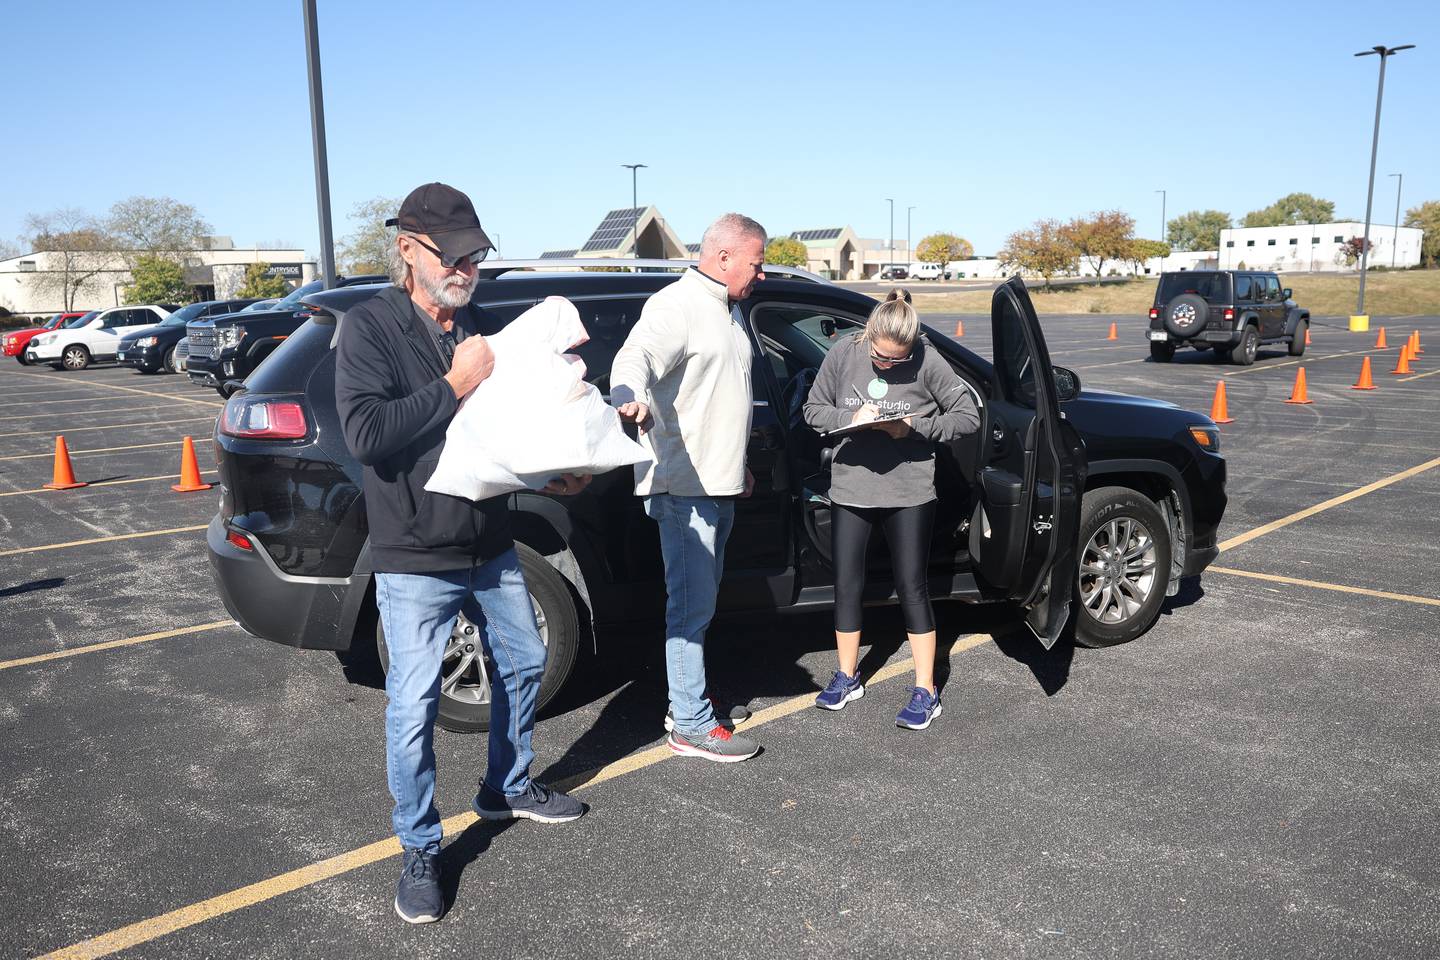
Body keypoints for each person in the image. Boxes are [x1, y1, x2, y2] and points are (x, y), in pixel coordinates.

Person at [335, 182, 589, 925]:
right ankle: (419, 846)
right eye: (452, 255)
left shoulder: (474, 322)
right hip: (415, 552)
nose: (466, 268)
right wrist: (454, 383)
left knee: (525, 661)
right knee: (413, 705)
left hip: (488, 540)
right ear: (408, 250)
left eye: (475, 254)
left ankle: (506, 784)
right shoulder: (370, 328)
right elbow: (369, 436)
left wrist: (559, 469)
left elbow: (506, 428)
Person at [610, 213, 767, 763]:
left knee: (701, 602)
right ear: (724, 257)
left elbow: (721, 397)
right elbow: (635, 357)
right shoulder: (676, 304)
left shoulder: (726, 309)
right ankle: (690, 725)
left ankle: (691, 700)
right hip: (683, 489)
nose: (761, 274)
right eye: (757, 262)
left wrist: (739, 463)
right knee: (689, 605)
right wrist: (626, 394)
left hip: (717, 484)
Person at [802, 288, 980, 730]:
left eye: (896, 361)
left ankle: (926, 690)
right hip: (851, 488)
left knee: (912, 587)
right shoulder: (845, 352)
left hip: (909, 492)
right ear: (869, 335)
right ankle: (847, 676)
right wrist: (851, 421)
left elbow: (968, 416)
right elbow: (813, 410)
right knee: (847, 584)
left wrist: (913, 428)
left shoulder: (927, 358)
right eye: (881, 358)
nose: (887, 365)